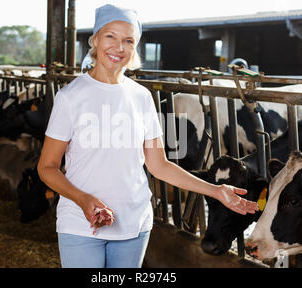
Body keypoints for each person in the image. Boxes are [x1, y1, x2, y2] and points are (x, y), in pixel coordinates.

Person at [37, 4, 258, 268]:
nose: (119, 47)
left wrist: (216, 191)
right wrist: (83, 200)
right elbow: (47, 167)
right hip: (79, 225)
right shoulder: (70, 97)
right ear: (95, 39)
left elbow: (159, 165)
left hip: (134, 225)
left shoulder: (141, 97)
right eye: (110, 36)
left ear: (135, 48)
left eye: (128, 40)